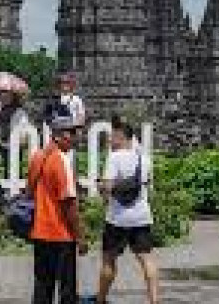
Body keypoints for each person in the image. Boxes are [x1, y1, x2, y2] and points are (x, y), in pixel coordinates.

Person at [97, 115, 159, 304]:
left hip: (117, 218)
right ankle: (154, 300)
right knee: (146, 259)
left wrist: (102, 189)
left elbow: (107, 188)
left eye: (112, 136)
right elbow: (147, 184)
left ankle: (100, 300)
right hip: (141, 216)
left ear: (121, 136)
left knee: (109, 260)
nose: (109, 139)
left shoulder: (114, 157)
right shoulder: (144, 158)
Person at [28, 114, 87, 304]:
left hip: (40, 232)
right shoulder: (61, 161)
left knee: (42, 287)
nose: (76, 137)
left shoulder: (38, 157)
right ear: (59, 135)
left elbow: (29, 191)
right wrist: (80, 237)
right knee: (67, 290)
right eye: (72, 133)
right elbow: (69, 205)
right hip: (61, 235)